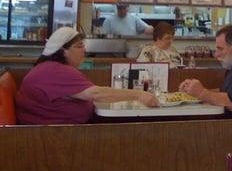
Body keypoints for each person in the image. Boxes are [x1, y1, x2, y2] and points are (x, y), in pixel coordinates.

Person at [16, 27, 159, 125]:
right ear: (63, 51)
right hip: (53, 137)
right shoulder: (56, 71)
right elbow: (97, 94)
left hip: (52, 130)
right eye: (79, 46)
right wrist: (139, 94)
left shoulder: (48, 68)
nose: (85, 50)